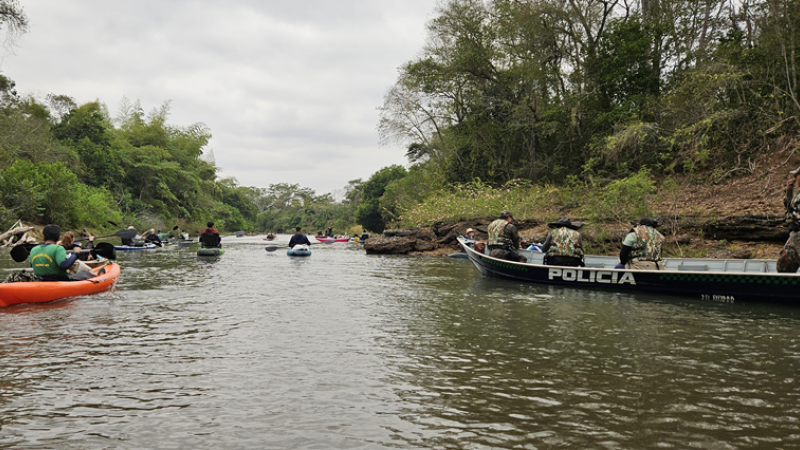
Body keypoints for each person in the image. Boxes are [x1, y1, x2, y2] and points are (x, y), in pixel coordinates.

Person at [29, 225, 94, 281]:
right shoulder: (58, 248)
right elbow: (64, 265)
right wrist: (76, 253)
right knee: (86, 273)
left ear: (43, 237)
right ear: (59, 238)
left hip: (40, 280)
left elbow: (32, 265)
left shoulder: (33, 249)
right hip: (59, 280)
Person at [779, 165, 800, 272]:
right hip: (794, 234)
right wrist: (789, 191)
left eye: (797, 175)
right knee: (784, 266)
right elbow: (790, 208)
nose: (795, 178)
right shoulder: (798, 193)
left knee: (785, 266)